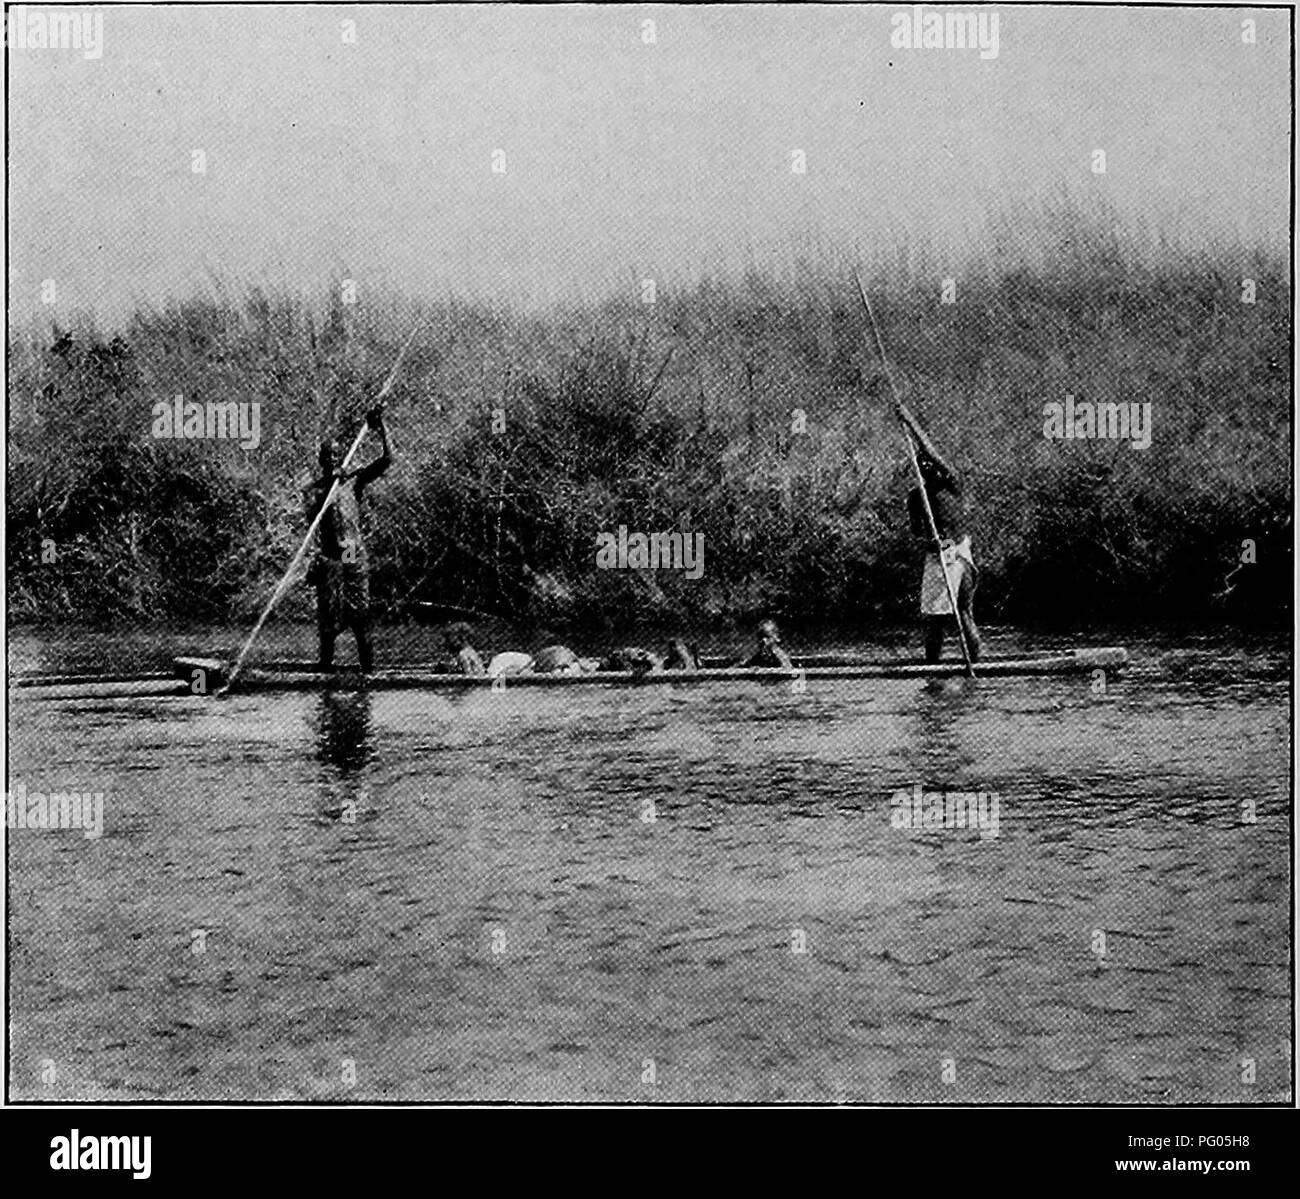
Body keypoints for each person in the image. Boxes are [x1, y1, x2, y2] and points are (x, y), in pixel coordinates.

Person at [306, 405, 392, 672]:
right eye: (327, 456)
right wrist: (330, 485)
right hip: (332, 559)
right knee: (329, 623)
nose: (332, 459)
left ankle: (368, 673)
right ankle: (324, 674)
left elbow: (388, 459)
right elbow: (312, 519)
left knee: (360, 618)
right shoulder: (315, 490)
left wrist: (381, 427)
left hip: (353, 556)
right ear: (321, 460)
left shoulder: (354, 481)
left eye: (336, 455)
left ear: (343, 457)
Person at [900, 406, 981, 665]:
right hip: (937, 558)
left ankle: (978, 665)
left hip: (958, 553)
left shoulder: (951, 483)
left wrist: (910, 421)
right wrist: (931, 542)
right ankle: (932, 669)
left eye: (930, 464)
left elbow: (931, 452)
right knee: (933, 620)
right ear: (918, 470)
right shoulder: (916, 498)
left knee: (964, 612)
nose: (927, 467)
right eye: (922, 466)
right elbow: (916, 535)